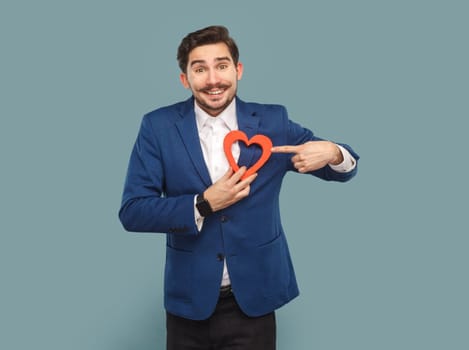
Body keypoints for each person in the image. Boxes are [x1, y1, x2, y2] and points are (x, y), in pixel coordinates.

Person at [119, 25, 359, 350]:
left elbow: (342, 169)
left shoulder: (273, 122)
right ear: (184, 79)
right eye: (199, 69)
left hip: (255, 301)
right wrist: (203, 204)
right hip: (188, 302)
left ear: (238, 70)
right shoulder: (157, 127)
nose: (213, 79)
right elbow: (133, 211)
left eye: (221, 65)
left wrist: (333, 152)